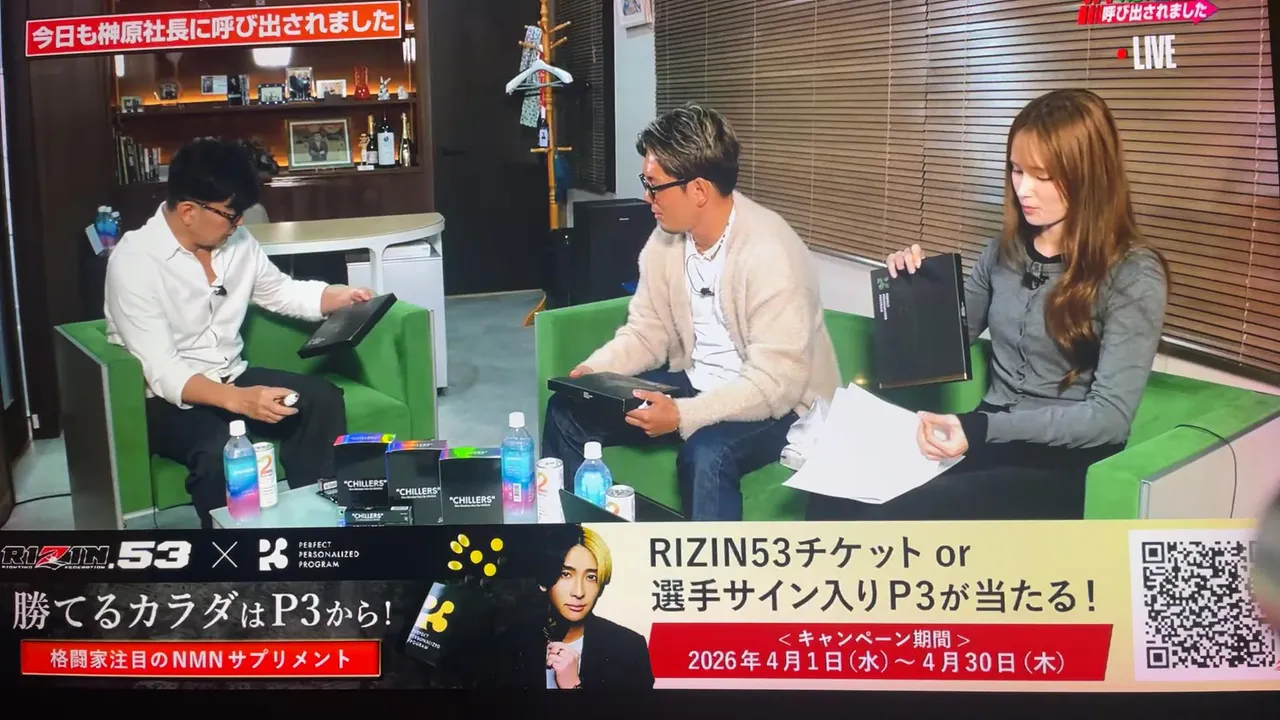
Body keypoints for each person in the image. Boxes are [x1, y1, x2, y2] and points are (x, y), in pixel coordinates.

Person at [809, 88, 1169, 522]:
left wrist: (981, 428)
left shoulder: (1133, 273)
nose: (1023, 189)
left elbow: (1109, 418)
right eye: (1016, 170)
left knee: (901, 510)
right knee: (833, 489)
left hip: (1061, 462)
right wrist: (912, 290)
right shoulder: (1000, 252)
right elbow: (937, 353)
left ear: (1088, 175)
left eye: (1042, 175)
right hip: (988, 438)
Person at [541, 104, 840, 521]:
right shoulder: (667, 240)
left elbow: (776, 383)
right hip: (699, 381)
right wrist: (595, 372)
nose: (646, 198)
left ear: (698, 190)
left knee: (705, 456)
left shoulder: (771, 254)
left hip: (780, 403)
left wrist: (682, 416)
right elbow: (647, 331)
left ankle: (708, 565)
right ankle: (577, 539)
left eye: (654, 186)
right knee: (567, 411)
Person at [104, 137, 374, 528]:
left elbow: (279, 291)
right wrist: (239, 400)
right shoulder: (134, 261)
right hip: (166, 400)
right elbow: (162, 369)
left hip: (231, 374)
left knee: (323, 399)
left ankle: (318, 519)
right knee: (218, 453)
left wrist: (334, 297)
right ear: (188, 211)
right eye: (232, 215)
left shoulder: (237, 243)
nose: (240, 224)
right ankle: (228, 550)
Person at [489, 526, 655, 689]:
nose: (578, 592)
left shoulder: (629, 647)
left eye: (591, 577)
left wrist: (574, 686)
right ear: (544, 581)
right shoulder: (508, 645)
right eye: (566, 574)